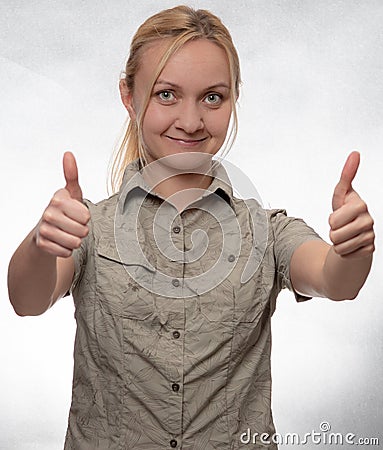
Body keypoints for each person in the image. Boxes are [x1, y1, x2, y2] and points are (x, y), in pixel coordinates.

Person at [7, 5, 374, 450]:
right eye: (166, 94)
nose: (191, 120)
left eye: (212, 97)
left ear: (233, 99)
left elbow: (336, 281)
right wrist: (42, 245)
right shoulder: (90, 227)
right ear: (128, 96)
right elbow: (27, 300)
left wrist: (352, 250)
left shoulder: (267, 231)